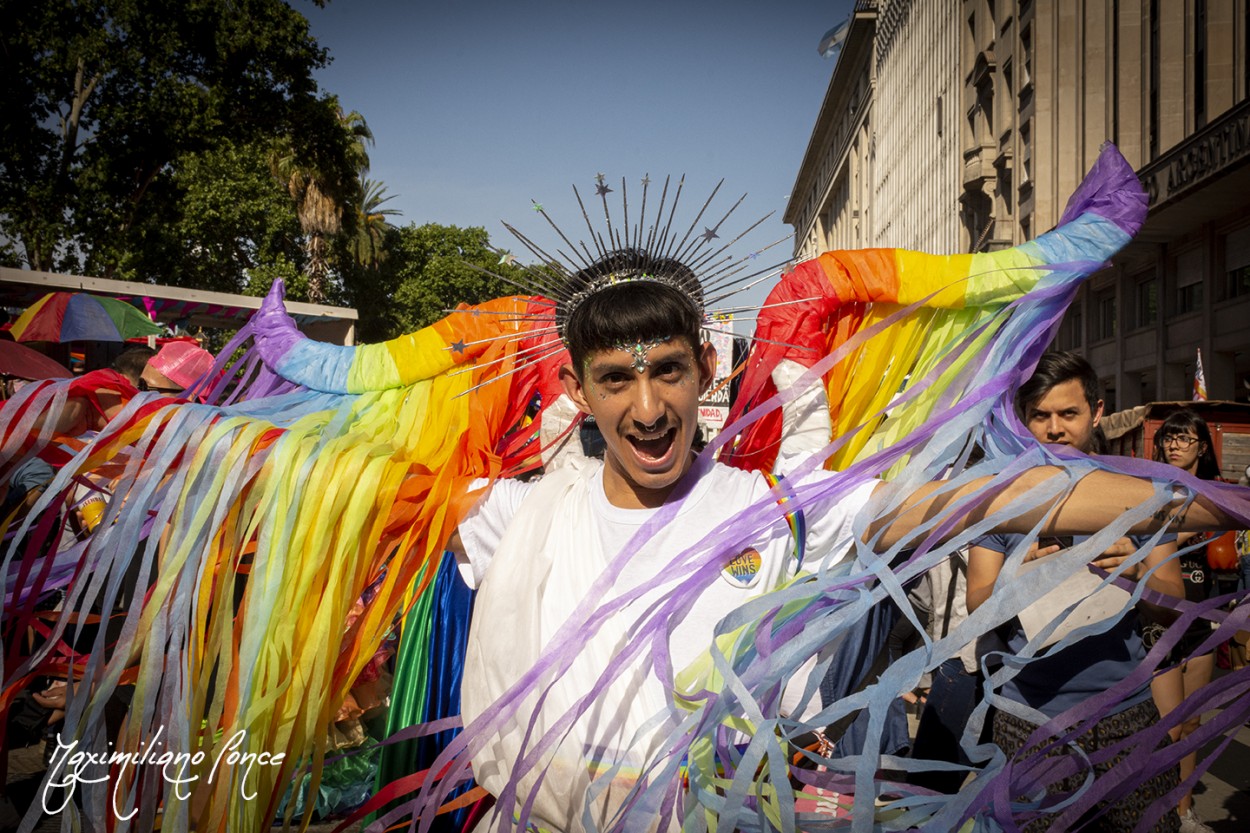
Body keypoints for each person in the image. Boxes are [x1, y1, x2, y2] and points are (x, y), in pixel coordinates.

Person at [455, 271, 1223, 830]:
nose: (648, 407)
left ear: (706, 370)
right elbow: (356, 459)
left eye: (667, 371)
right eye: (616, 379)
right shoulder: (518, 516)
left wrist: (1198, 501)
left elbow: (979, 501)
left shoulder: (773, 508)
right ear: (576, 389)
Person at [968, 351, 1185, 833]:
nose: (1054, 429)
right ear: (1023, 420)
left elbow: (1175, 602)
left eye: (1069, 413)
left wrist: (1136, 574)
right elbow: (977, 603)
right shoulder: (1002, 498)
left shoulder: (1138, 490)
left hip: (1126, 715)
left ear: (1098, 412)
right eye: (1040, 415)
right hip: (1028, 719)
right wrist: (1016, 580)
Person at [1147, 410, 1220, 833]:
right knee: (1167, 728)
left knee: (1192, 722)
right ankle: (1152, 810)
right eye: (1169, 438)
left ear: (1202, 447)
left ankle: (1183, 810)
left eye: (1184, 438)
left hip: (1203, 615)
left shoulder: (1215, 493)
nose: (1175, 445)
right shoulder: (1152, 489)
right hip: (1161, 618)